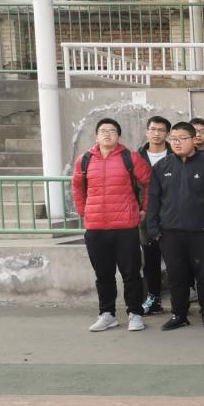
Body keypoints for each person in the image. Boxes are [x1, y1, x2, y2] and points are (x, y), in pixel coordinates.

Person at [72, 118, 152, 333]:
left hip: (125, 227)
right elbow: (77, 186)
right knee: (103, 275)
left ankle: (135, 313)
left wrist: (144, 209)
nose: (107, 134)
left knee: (131, 273)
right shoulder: (85, 160)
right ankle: (107, 314)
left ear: (119, 136)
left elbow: (149, 182)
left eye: (112, 131)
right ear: (96, 136)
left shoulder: (130, 157)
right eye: (103, 131)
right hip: (96, 227)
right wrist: (83, 211)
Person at [147, 121, 204, 331]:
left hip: (201, 233)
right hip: (170, 233)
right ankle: (179, 314)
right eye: (173, 139)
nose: (177, 142)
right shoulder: (161, 167)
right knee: (176, 276)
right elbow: (153, 200)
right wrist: (153, 228)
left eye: (182, 138)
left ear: (194, 139)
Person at [138, 115, 170, 316]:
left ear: (167, 133)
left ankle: (182, 299)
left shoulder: (175, 154)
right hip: (146, 218)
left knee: (177, 260)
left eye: (161, 130)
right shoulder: (136, 157)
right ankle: (154, 298)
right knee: (150, 261)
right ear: (147, 131)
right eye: (153, 129)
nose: (156, 133)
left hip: (172, 216)